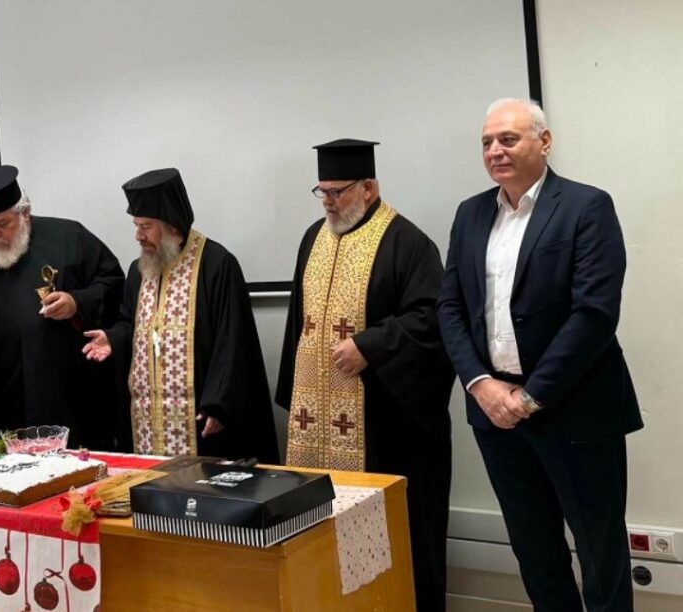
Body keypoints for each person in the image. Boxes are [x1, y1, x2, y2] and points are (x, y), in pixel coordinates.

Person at [437, 98, 642, 611]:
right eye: (487, 142)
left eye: (508, 139)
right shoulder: (469, 214)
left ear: (544, 142)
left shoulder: (586, 206)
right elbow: (451, 308)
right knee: (535, 551)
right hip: (495, 414)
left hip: (574, 409)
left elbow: (594, 314)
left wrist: (530, 397)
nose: (495, 150)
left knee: (599, 552)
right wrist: (480, 384)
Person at [277, 139, 454, 612]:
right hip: (317, 425)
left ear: (368, 188)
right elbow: (299, 323)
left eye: (337, 191)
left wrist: (370, 347)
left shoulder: (408, 242)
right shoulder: (313, 238)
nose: (328, 202)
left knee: (399, 545)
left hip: (386, 430)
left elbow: (432, 319)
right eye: (322, 191)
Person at [82, 168, 279, 463]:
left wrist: (219, 403)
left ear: (172, 226)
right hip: (148, 422)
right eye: (136, 225)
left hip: (201, 421)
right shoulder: (140, 271)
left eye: (146, 226)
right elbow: (131, 323)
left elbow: (233, 342)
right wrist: (114, 338)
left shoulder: (216, 265)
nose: (138, 235)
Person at [0, 165, 124, 445]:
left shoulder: (70, 237)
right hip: (9, 405)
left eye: (2, 224)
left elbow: (113, 283)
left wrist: (76, 302)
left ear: (25, 213)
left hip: (73, 396)